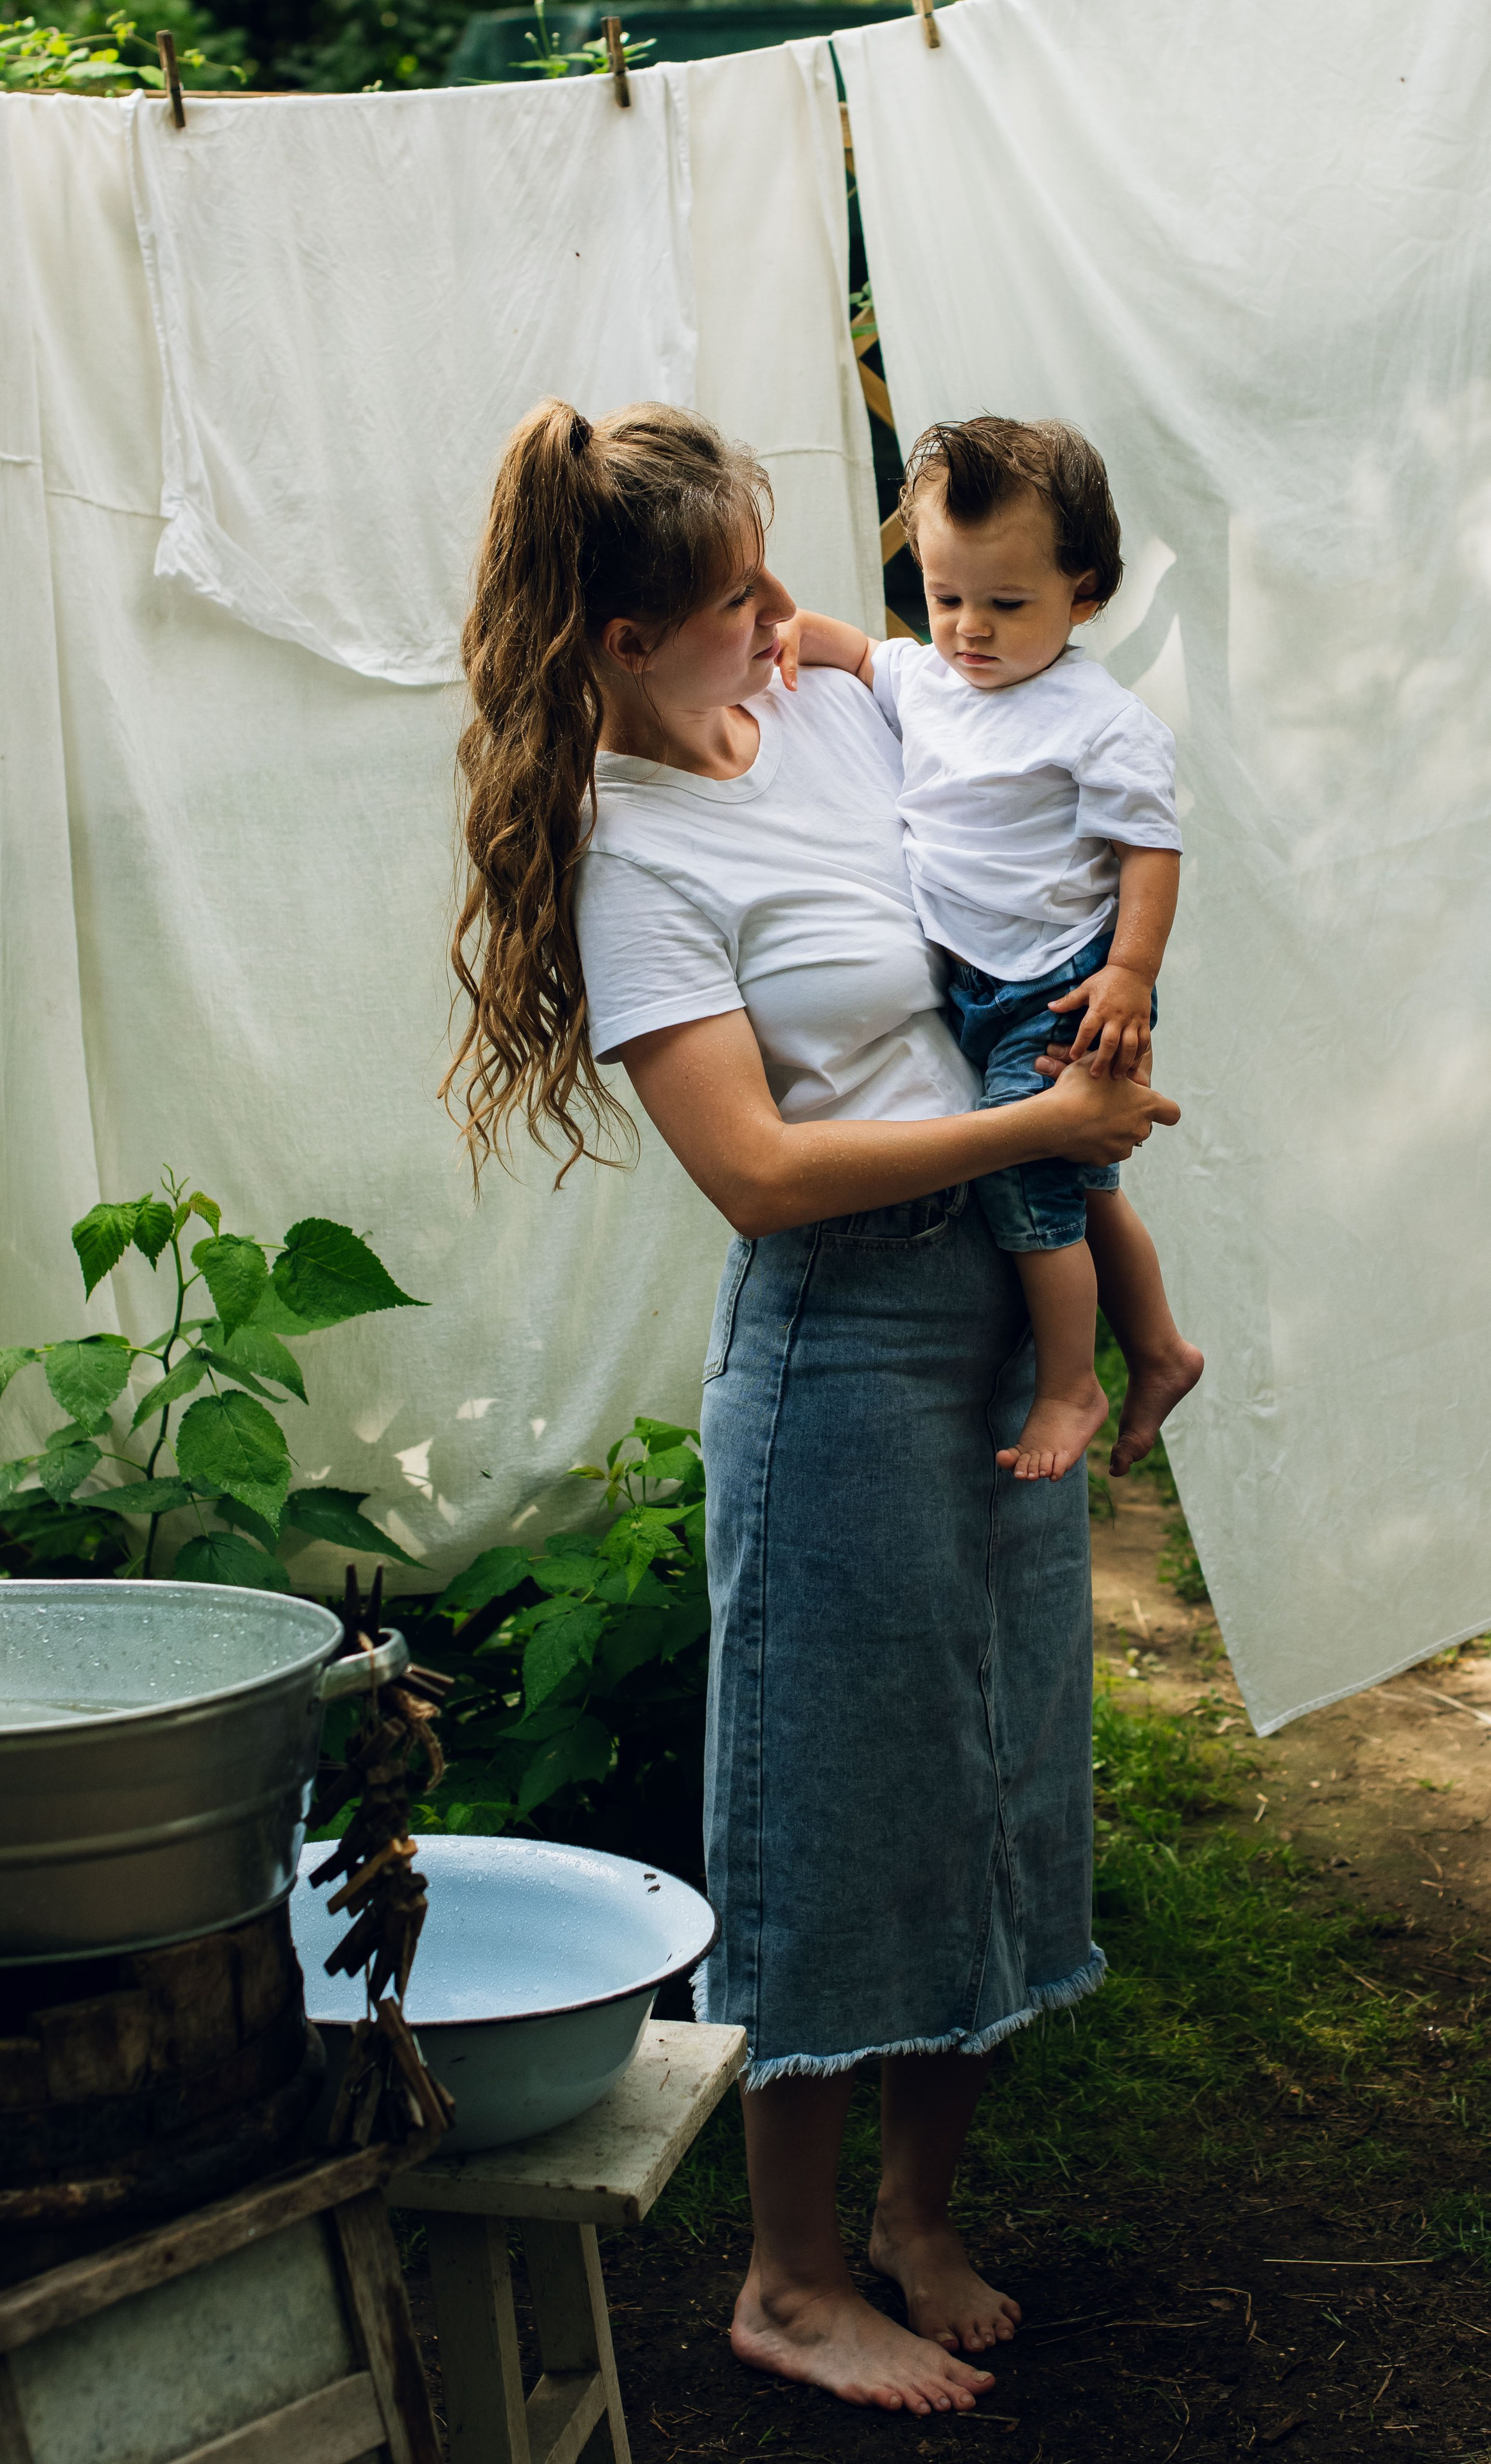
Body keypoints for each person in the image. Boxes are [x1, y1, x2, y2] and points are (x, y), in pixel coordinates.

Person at [444, 398, 1180, 2420]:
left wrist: (1103, 994)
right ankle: (784, 2268)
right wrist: (1048, 1118)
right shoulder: (637, 856)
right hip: (841, 1353)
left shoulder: (840, 715)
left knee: (996, 1782)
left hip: (989, 1325)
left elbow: (1037, 824)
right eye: (737, 594)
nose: (790, 614)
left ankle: (918, 2215)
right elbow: (759, 1170)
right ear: (621, 643)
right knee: (840, 1811)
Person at [779, 416, 1203, 1485]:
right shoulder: (928, 678)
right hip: (971, 979)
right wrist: (799, 636)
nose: (970, 628)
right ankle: (1159, 1346)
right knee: (1084, 1188)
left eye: (1007, 605)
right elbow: (863, 651)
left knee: (1025, 1184)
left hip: (1060, 987)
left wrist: (1131, 976)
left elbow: (1150, 848)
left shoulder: (1096, 720)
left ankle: (1073, 1381)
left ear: (1087, 596)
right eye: (945, 595)